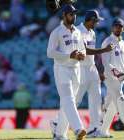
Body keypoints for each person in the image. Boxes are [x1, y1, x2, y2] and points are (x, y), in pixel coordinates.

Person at [47, 4, 86, 140]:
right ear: (64, 15)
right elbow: (50, 53)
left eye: (74, 14)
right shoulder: (56, 32)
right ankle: (78, 129)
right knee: (68, 99)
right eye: (71, 14)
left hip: (76, 69)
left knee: (69, 102)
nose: (73, 16)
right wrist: (68, 56)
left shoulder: (78, 32)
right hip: (62, 69)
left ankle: (59, 133)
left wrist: (82, 55)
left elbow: (83, 49)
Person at [75, 10, 113, 137]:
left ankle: (94, 128)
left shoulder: (92, 32)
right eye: (96, 21)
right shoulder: (78, 31)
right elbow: (85, 51)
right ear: (90, 20)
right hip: (80, 68)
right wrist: (104, 50)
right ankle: (57, 123)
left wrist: (100, 70)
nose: (97, 23)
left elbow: (94, 57)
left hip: (92, 68)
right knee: (75, 99)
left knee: (96, 98)